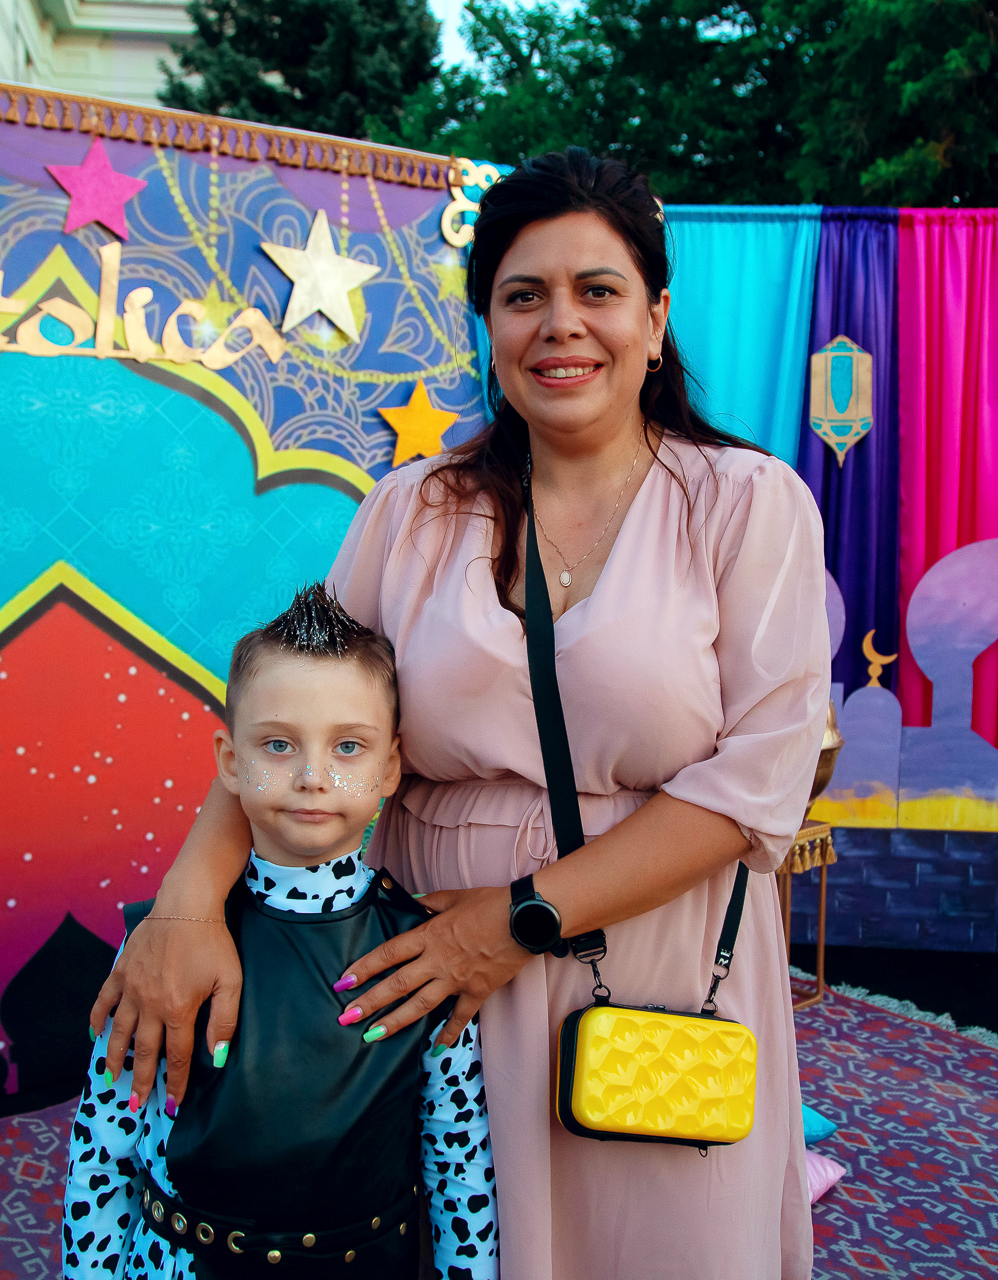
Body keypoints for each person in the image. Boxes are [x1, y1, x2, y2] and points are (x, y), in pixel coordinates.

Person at [93, 147, 831, 1279]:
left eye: (598, 290)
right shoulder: (413, 511)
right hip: (420, 971)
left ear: (655, 318)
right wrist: (186, 907)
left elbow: (755, 784)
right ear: (488, 325)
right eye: (523, 295)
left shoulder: (745, 504)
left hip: (653, 962)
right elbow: (292, 712)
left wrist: (514, 923)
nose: (561, 324)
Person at [63, 584, 499, 1279]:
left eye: (348, 747)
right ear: (230, 761)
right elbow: (102, 1149)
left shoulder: (424, 955)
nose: (312, 776)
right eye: (277, 744)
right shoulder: (168, 946)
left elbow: (458, 1164)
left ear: (390, 765)